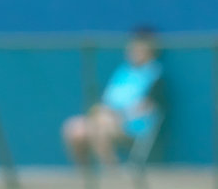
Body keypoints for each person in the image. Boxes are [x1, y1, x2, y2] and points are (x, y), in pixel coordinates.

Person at [62, 26, 163, 169]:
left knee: (99, 127)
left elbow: (147, 108)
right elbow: (107, 101)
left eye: (140, 48)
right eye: (132, 46)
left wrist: (117, 115)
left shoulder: (155, 74)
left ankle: (112, 172)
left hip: (131, 126)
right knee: (73, 127)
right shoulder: (123, 71)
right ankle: (85, 177)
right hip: (106, 118)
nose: (133, 50)